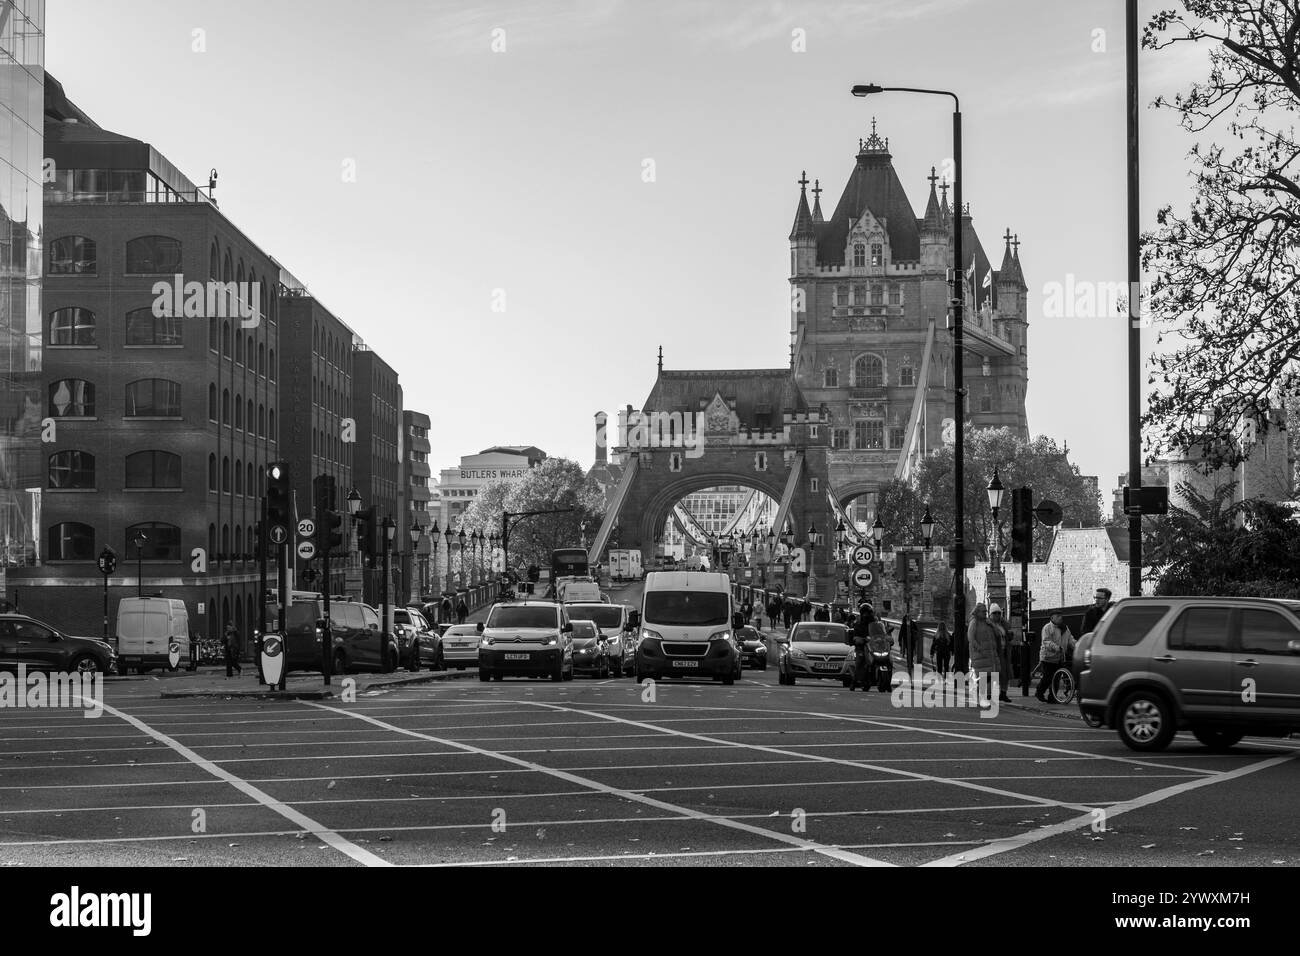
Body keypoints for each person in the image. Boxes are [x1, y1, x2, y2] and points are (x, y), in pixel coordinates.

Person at [1036, 611, 1075, 702]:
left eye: (1061, 616)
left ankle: (1052, 697)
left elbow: (1070, 640)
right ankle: (1039, 692)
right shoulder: (1047, 628)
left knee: (1056, 678)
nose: (1060, 617)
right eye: (1058, 616)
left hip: (1059, 657)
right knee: (1047, 678)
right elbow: (1046, 641)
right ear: (1052, 618)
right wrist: (1057, 648)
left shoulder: (1065, 628)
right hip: (1048, 657)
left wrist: (1077, 646)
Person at [967, 603, 1001, 701]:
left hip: (990, 654)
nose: (985, 613)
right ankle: (980, 695)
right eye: (983, 611)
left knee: (989, 676)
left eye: (986, 611)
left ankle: (985, 695)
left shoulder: (987, 622)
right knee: (984, 677)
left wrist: (992, 625)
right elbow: (971, 638)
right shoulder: (974, 622)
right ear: (977, 612)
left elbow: (998, 634)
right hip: (980, 655)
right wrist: (979, 649)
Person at [988, 604, 1012, 702]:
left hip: (1004, 651)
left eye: (999, 613)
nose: (997, 615)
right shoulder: (988, 625)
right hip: (994, 652)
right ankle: (989, 693)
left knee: (1005, 674)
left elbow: (1007, 637)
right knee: (993, 674)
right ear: (990, 614)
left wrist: (1010, 635)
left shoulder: (1003, 625)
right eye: (994, 613)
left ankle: (1003, 693)